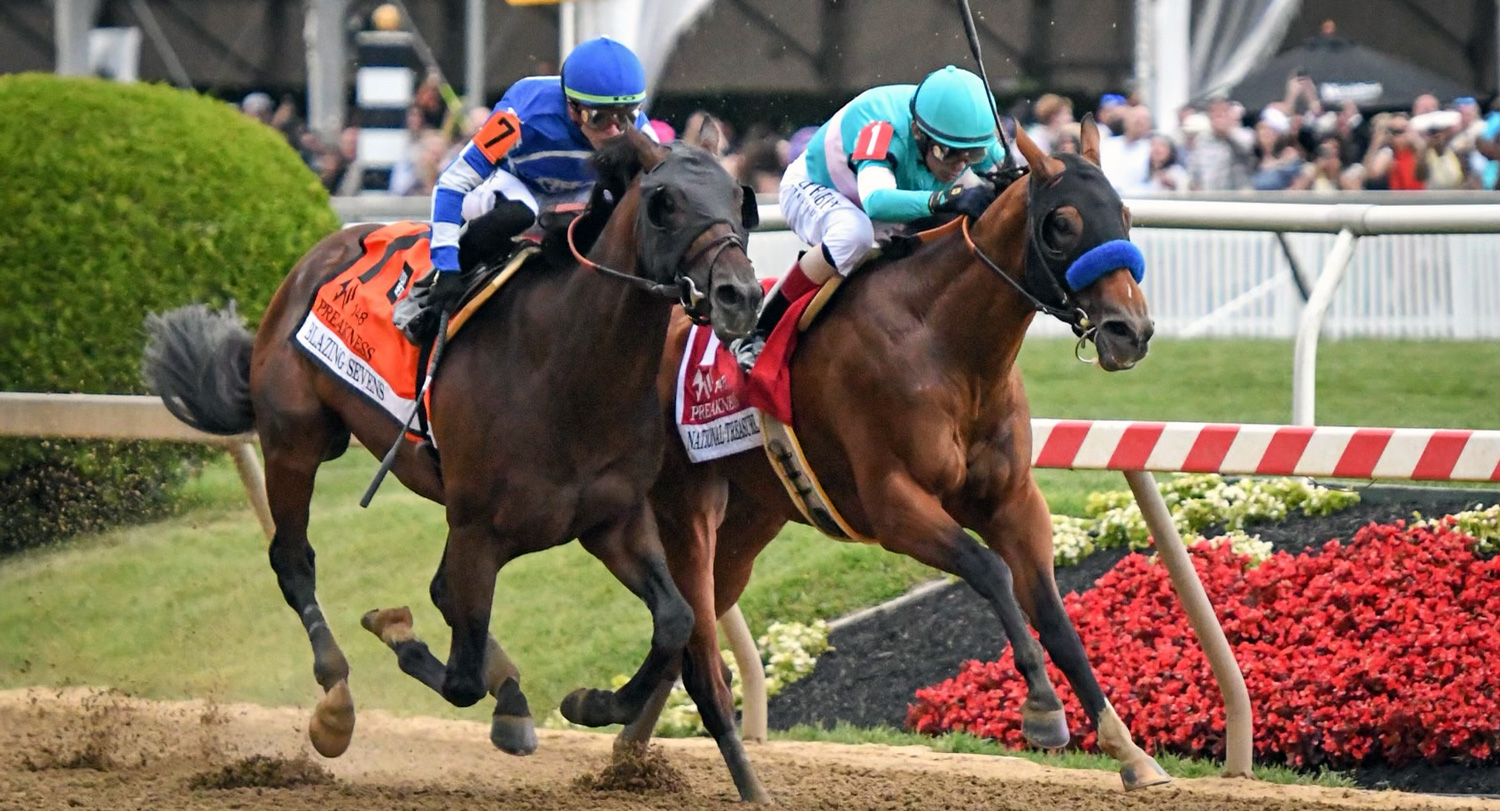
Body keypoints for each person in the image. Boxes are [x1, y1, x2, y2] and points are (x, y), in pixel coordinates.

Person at [734, 65, 1003, 369]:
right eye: (947, 153)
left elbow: (1013, 176)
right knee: (853, 234)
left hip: (882, 199)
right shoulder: (882, 128)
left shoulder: (963, 133)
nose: (959, 165)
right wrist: (945, 197)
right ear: (918, 132)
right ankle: (762, 332)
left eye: (972, 155)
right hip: (817, 187)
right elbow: (876, 202)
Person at [394, 36, 655, 344]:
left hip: (577, 195)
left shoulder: (639, 130)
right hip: (513, 185)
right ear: (571, 108)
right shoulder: (520, 115)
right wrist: (447, 265)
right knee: (520, 213)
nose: (614, 130)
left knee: (615, 207)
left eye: (626, 115)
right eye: (597, 117)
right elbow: (452, 184)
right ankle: (431, 289)